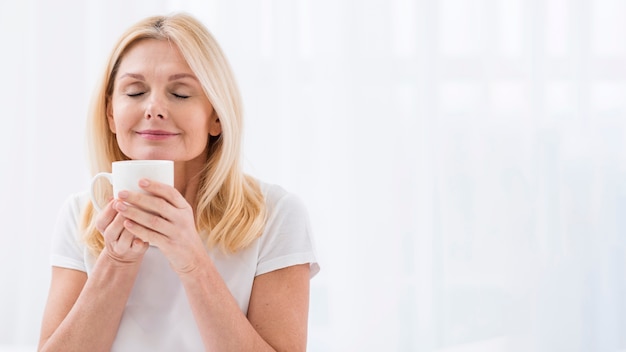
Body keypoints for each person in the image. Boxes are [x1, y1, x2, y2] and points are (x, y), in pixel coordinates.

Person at [38, 12, 319, 352]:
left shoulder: (275, 215)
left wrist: (192, 261)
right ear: (111, 113)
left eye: (181, 94)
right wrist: (116, 263)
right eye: (135, 91)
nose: (154, 108)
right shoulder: (80, 216)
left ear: (216, 116)